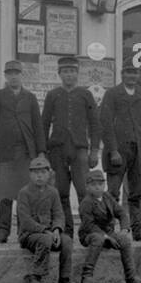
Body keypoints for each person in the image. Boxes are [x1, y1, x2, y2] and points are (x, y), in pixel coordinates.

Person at [0, 60, 46, 244]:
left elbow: (38, 125)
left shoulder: (30, 98)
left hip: (27, 152)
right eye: (9, 73)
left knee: (25, 195)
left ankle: (24, 231)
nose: (13, 76)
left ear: (22, 75)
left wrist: (41, 152)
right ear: (5, 76)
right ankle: (2, 231)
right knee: (5, 193)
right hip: (5, 152)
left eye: (16, 73)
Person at [41, 55, 101, 237]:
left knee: (84, 190)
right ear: (60, 74)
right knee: (61, 191)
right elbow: (44, 125)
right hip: (57, 149)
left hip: (79, 149)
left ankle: (87, 229)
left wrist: (94, 150)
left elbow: (95, 124)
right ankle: (66, 230)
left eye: (72, 71)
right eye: (65, 72)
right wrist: (42, 152)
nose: (69, 75)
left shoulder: (86, 94)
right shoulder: (53, 95)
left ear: (77, 73)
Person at [99, 62, 141, 209]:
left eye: (135, 72)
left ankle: (136, 229)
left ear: (138, 75)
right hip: (118, 150)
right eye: (128, 72)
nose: (132, 76)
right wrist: (113, 150)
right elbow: (105, 123)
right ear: (122, 74)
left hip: (139, 150)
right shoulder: (112, 93)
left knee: (137, 193)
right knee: (113, 191)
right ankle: (110, 228)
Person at [77, 168, 141, 283]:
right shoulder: (86, 203)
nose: (97, 187)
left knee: (124, 240)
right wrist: (106, 237)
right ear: (87, 187)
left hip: (109, 233)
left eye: (100, 184)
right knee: (98, 239)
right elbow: (89, 225)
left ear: (104, 185)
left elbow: (121, 213)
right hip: (90, 234)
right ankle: (87, 275)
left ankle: (131, 276)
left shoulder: (107, 197)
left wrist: (124, 230)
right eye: (93, 185)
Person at [16, 154, 74, 283]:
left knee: (67, 241)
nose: (39, 176)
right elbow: (25, 221)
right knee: (45, 240)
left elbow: (59, 214)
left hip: (49, 233)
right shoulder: (24, 193)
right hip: (29, 235)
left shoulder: (53, 192)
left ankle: (65, 279)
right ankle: (36, 276)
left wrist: (56, 230)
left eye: (43, 172)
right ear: (30, 175)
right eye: (36, 173)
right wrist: (45, 231)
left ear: (49, 174)